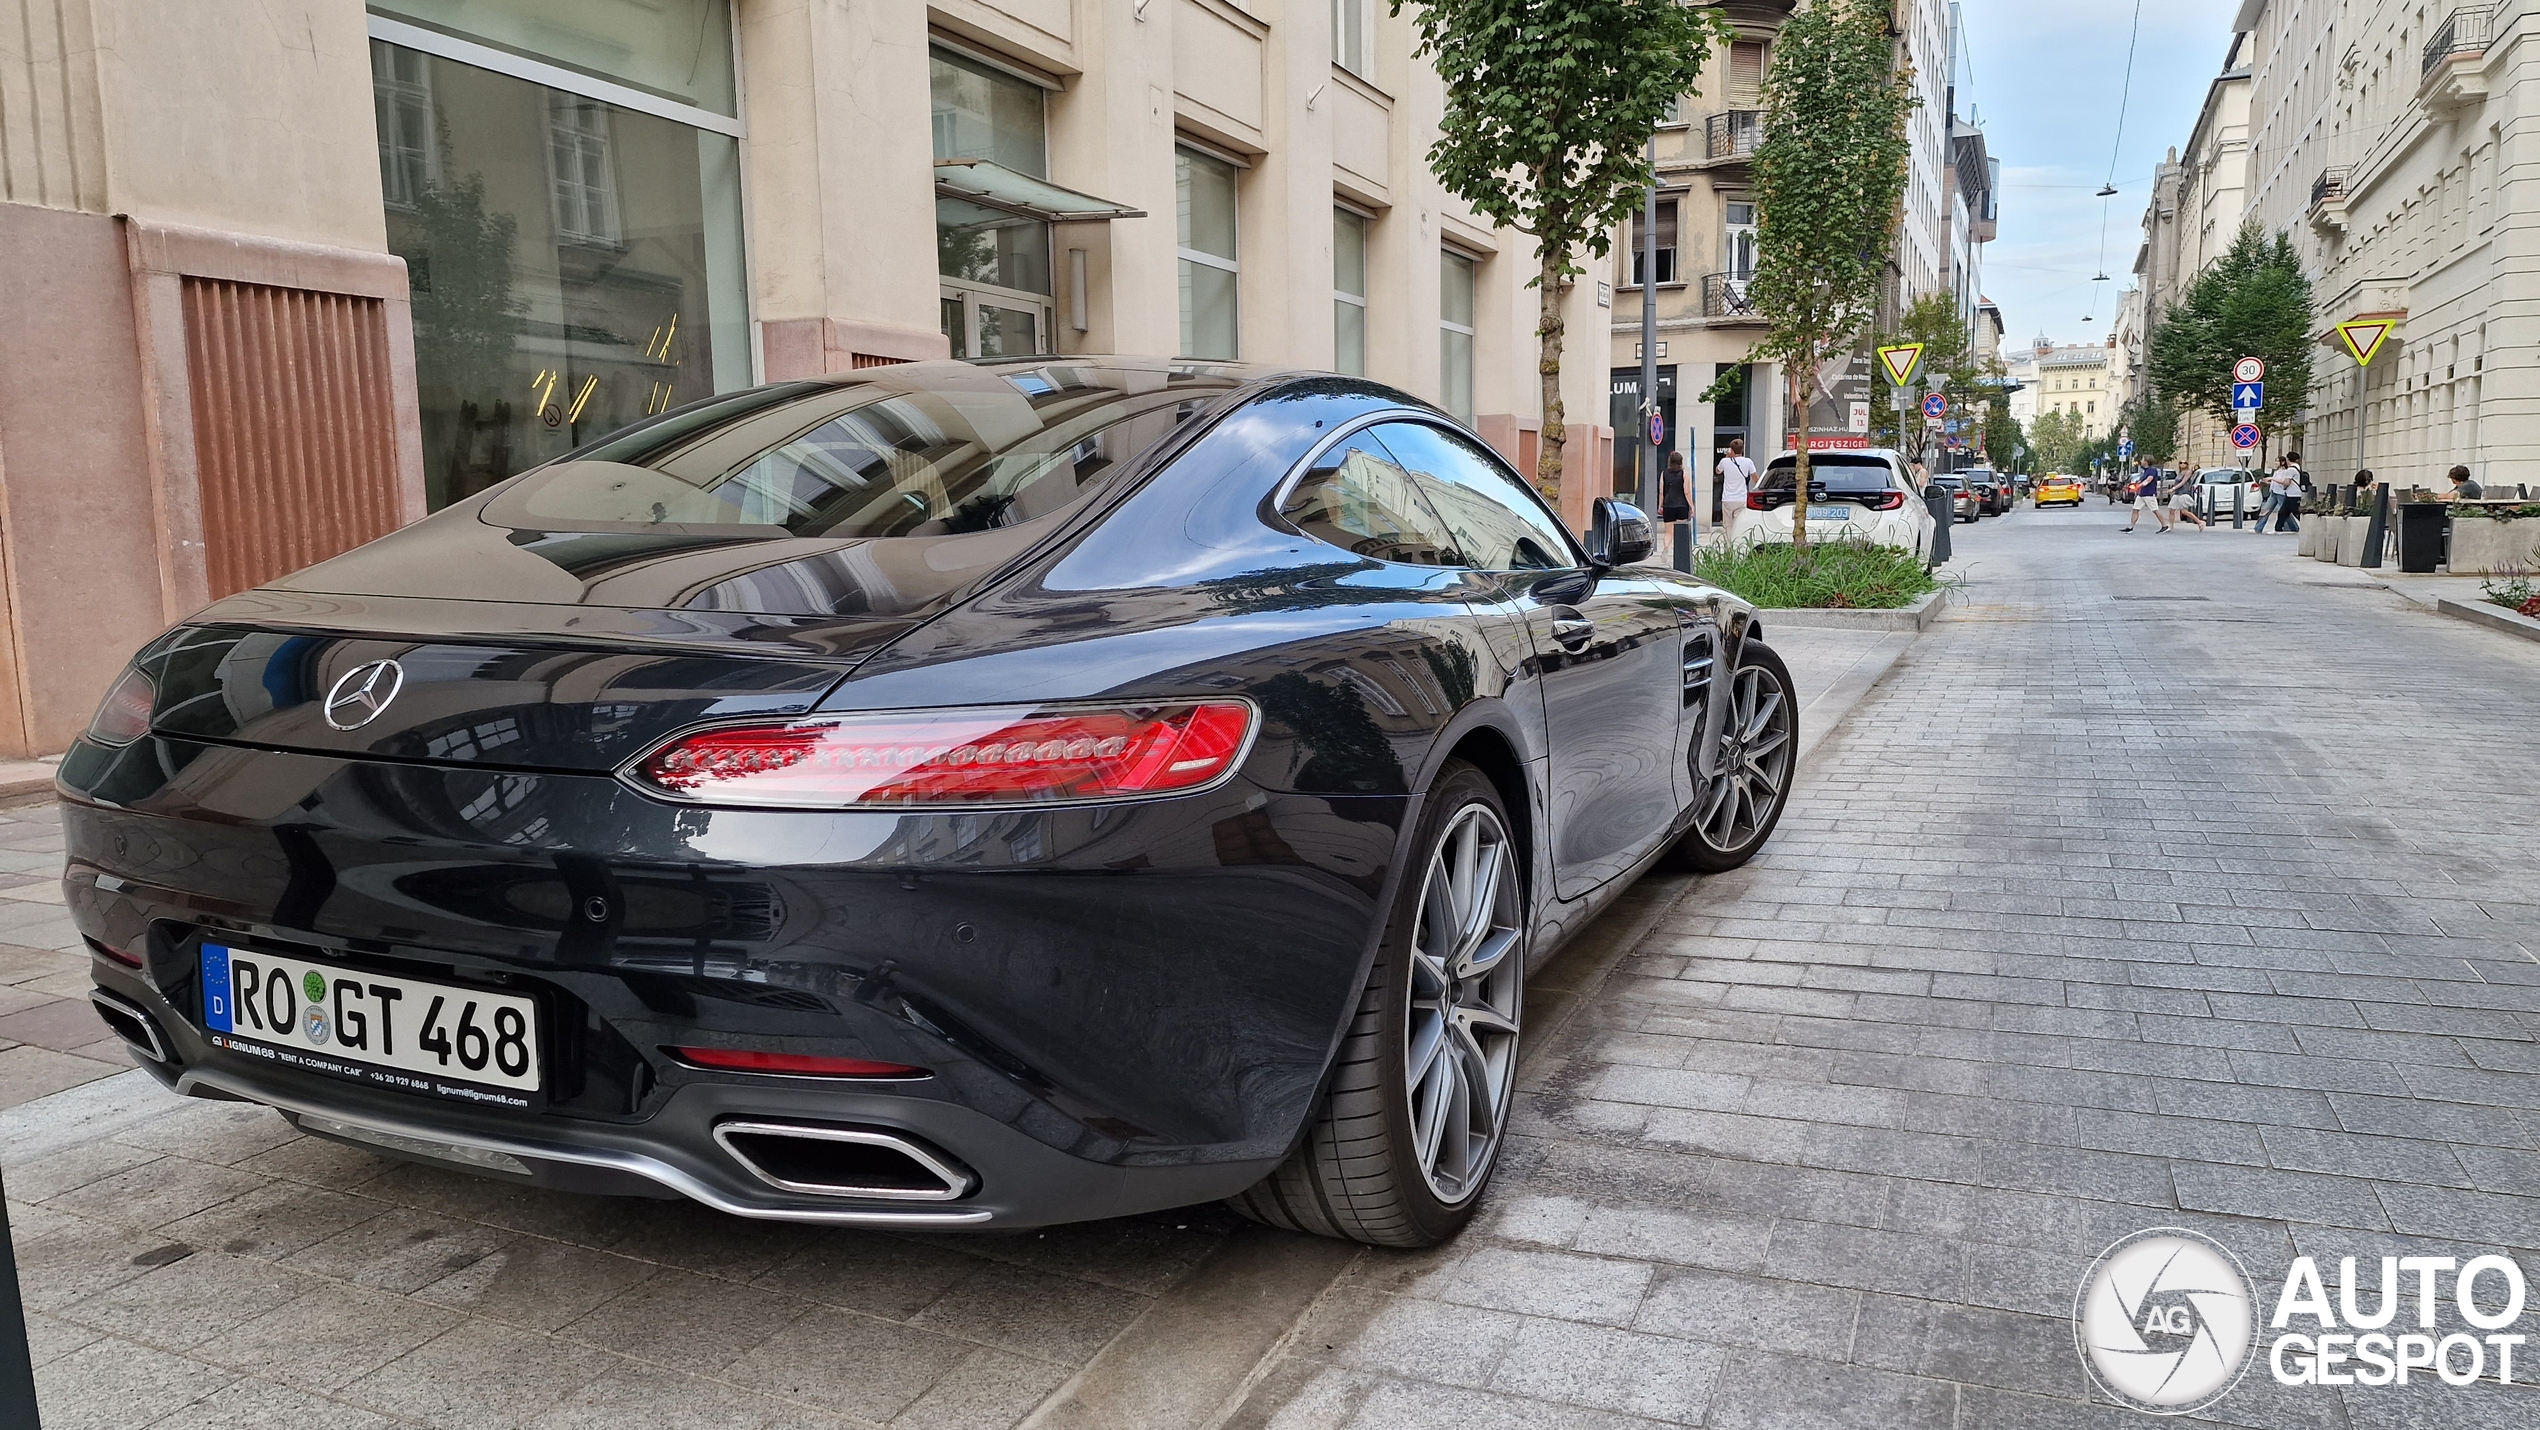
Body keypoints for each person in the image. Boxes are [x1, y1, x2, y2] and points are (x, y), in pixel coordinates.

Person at [1716, 438, 1756, 529]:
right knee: (1739, 525)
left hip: (1727, 499)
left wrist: (1727, 456)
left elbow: (1717, 471)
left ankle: (1729, 542)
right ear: (1743, 449)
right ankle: (1738, 541)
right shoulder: (1748, 462)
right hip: (1741, 498)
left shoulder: (1724, 461)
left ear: (1731, 449)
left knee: (1728, 526)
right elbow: (1755, 478)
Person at [2122, 457, 2167, 532]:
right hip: (2142, 494)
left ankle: (2165, 525)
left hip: (2149, 494)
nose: (2141, 461)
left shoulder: (2152, 470)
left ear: (2146, 461)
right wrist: (2138, 486)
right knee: (2135, 509)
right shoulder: (2145, 471)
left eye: (2142, 459)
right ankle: (2131, 527)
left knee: (2155, 510)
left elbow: (2148, 480)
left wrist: (2138, 486)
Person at [2270, 452, 2305, 532]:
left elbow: (2286, 482)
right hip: (2294, 493)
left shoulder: (2291, 470)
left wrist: (2273, 479)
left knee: (2295, 512)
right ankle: (2278, 528)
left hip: (2292, 494)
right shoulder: (2298, 467)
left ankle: (2307, 526)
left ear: (2288, 459)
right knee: (2283, 512)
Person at [2166, 466, 2207, 531]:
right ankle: (2170, 527)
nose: (2182, 464)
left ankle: (2200, 522)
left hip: (2183, 493)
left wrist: (2173, 489)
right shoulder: (2179, 473)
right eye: (2181, 463)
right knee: (2171, 510)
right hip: (2177, 493)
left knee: (2184, 512)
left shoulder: (2188, 472)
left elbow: (2183, 482)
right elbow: (2176, 482)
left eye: (2184, 463)